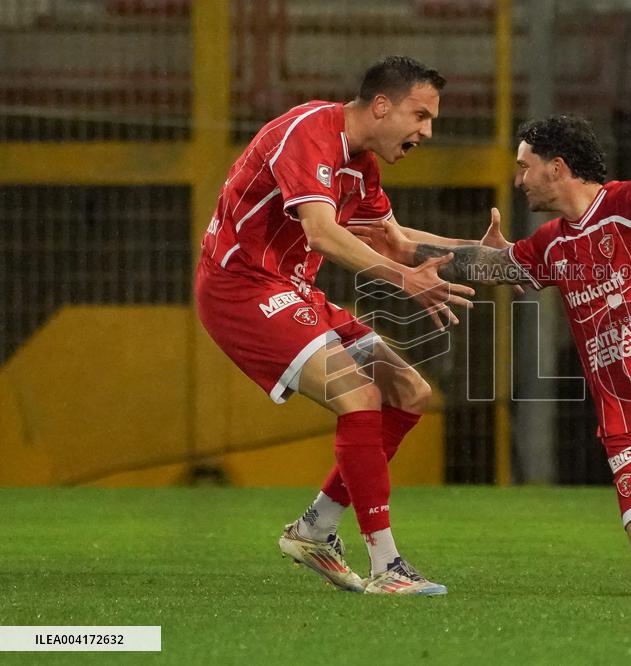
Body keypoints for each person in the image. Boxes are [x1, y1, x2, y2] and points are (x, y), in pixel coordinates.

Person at [365, 96, 631, 596]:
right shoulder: (550, 243)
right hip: (630, 430)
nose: (518, 180)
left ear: (556, 167)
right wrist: (398, 243)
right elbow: (482, 264)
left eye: (524, 168)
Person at [195, 56, 480, 596]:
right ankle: (386, 568)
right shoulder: (309, 131)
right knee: (359, 396)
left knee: (409, 393)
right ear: (380, 105)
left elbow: (395, 239)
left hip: (293, 290)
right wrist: (404, 280)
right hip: (242, 289)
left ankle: (315, 529)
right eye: (420, 115)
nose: (427, 131)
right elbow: (323, 234)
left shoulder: (360, 163)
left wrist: (483, 253)